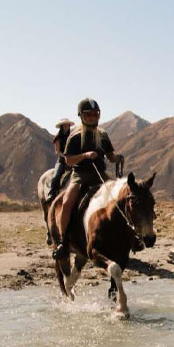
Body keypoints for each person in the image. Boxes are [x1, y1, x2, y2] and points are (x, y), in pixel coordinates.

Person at [52, 98, 120, 260]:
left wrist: (117, 158)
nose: (92, 118)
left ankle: (125, 237)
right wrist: (85, 156)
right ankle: (63, 242)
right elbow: (68, 160)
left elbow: (110, 156)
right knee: (67, 202)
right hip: (80, 176)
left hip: (100, 175)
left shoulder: (103, 135)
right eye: (88, 115)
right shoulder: (75, 136)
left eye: (95, 114)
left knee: (119, 199)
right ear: (81, 116)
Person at [46, 118, 75, 200]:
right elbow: (57, 151)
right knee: (57, 175)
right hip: (61, 161)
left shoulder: (72, 136)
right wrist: (65, 156)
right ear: (61, 127)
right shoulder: (58, 138)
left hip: (72, 160)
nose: (66, 127)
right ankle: (52, 193)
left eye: (67, 125)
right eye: (64, 125)